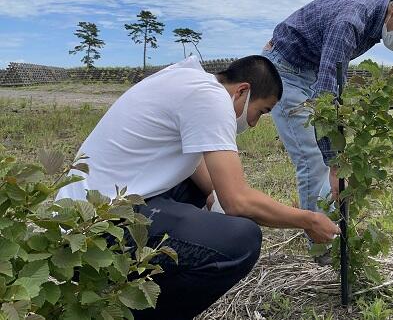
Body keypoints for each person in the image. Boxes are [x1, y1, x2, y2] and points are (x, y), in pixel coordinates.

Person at [56, 54, 340, 320]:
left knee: (202, 193)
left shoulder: (184, 81)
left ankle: (132, 284)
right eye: (261, 111)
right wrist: (308, 219)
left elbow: (199, 172)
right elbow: (237, 201)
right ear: (242, 91)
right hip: (96, 226)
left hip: (82, 212)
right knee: (241, 240)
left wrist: (212, 193)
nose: (253, 124)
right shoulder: (211, 98)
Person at [262, 0, 393, 232]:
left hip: (309, 69)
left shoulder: (379, 13)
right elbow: (327, 95)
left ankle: (328, 229)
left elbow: (333, 78)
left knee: (325, 156)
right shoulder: (350, 23)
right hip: (285, 69)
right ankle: (318, 239)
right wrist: (336, 164)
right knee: (313, 158)